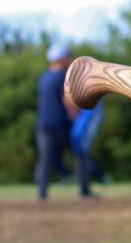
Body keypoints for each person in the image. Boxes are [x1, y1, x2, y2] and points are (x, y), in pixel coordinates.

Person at [35, 41, 95, 200]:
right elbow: (68, 100)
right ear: (61, 59)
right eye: (68, 57)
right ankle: (85, 191)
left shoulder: (44, 77)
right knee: (79, 154)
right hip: (62, 125)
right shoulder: (64, 76)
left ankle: (42, 194)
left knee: (46, 159)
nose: (70, 59)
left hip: (44, 125)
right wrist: (80, 111)